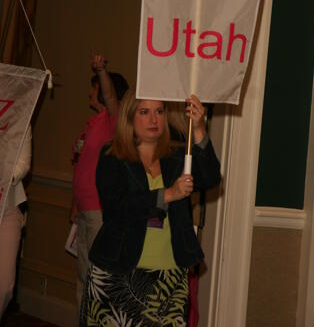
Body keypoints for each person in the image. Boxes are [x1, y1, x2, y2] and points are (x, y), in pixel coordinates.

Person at [80, 88, 221, 326]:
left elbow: (210, 177)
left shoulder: (178, 158)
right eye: (144, 112)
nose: (154, 120)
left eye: (159, 111)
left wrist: (198, 130)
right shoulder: (112, 155)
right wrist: (167, 194)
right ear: (129, 117)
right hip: (118, 274)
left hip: (170, 278)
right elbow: (116, 208)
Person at [70, 53, 129, 313]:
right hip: (83, 210)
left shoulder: (111, 122)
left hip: (98, 212)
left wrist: (101, 70)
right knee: (83, 274)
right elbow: (80, 166)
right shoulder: (91, 124)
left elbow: (113, 99)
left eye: (95, 89)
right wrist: (74, 204)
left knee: (97, 276)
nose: (91, 94)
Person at [0, 125, 31, 320]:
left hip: (8, 207)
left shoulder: (20, 111)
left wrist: (4, 176)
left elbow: (23, 164)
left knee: (4, 285)